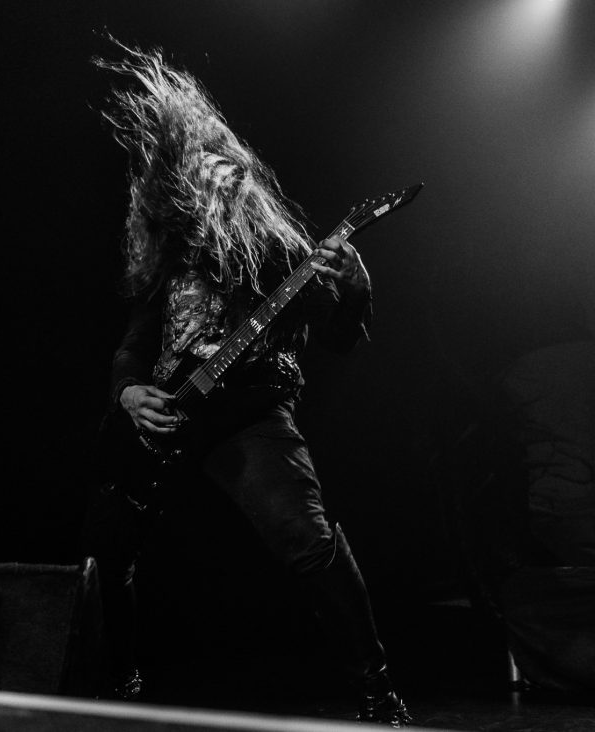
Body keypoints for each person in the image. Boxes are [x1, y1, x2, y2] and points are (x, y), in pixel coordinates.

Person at [83, 43, 410, 726]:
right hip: (166, 418)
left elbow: (340, 340)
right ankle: (117, 680)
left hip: (250, 415)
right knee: (109, 554)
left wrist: (356, 288)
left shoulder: (284, 254)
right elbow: (132, 348)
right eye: (202, 170)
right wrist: (130, 394)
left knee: (307, 540)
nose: (217, 177)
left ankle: (378, 693)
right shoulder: (171, 258)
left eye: (226, 169)